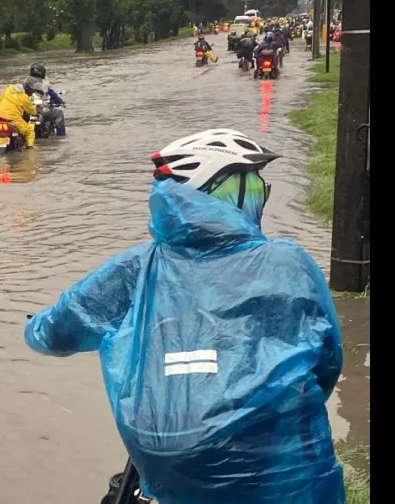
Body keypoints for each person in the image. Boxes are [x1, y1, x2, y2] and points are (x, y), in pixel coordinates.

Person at [23, 128, 345, 504]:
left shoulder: (135, 268)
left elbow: (55, 334)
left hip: (169, 468)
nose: (261, 191)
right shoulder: (287, 263)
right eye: (253, 182)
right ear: (224, 192)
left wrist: (35, 324)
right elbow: (327, 360)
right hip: (280, 468)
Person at [0, 76, 43, 149]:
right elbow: (31, 111)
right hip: (12, 118)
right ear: (28, 89)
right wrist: (36, 111)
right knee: (29, 131)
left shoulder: (9, 89)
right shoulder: (24, 97)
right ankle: (30, 149)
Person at [28, 63, 66, 137]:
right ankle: (61, 135)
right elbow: (53, 94)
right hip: (40, 109)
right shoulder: (43, 83)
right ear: (42, 72)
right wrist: (60, 101)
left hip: (26, 109)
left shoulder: (25, 81)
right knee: (59, 113)